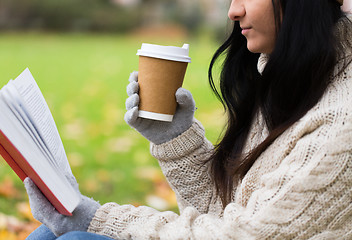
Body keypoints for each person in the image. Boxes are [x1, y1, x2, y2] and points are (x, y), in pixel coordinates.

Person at [25, 0, 352, 239]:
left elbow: (240, 236)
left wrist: (97, 219)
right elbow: (228, 210)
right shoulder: (293, 82)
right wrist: (175, 139)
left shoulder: (341, 121)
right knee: (47, 235)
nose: (233, 11)